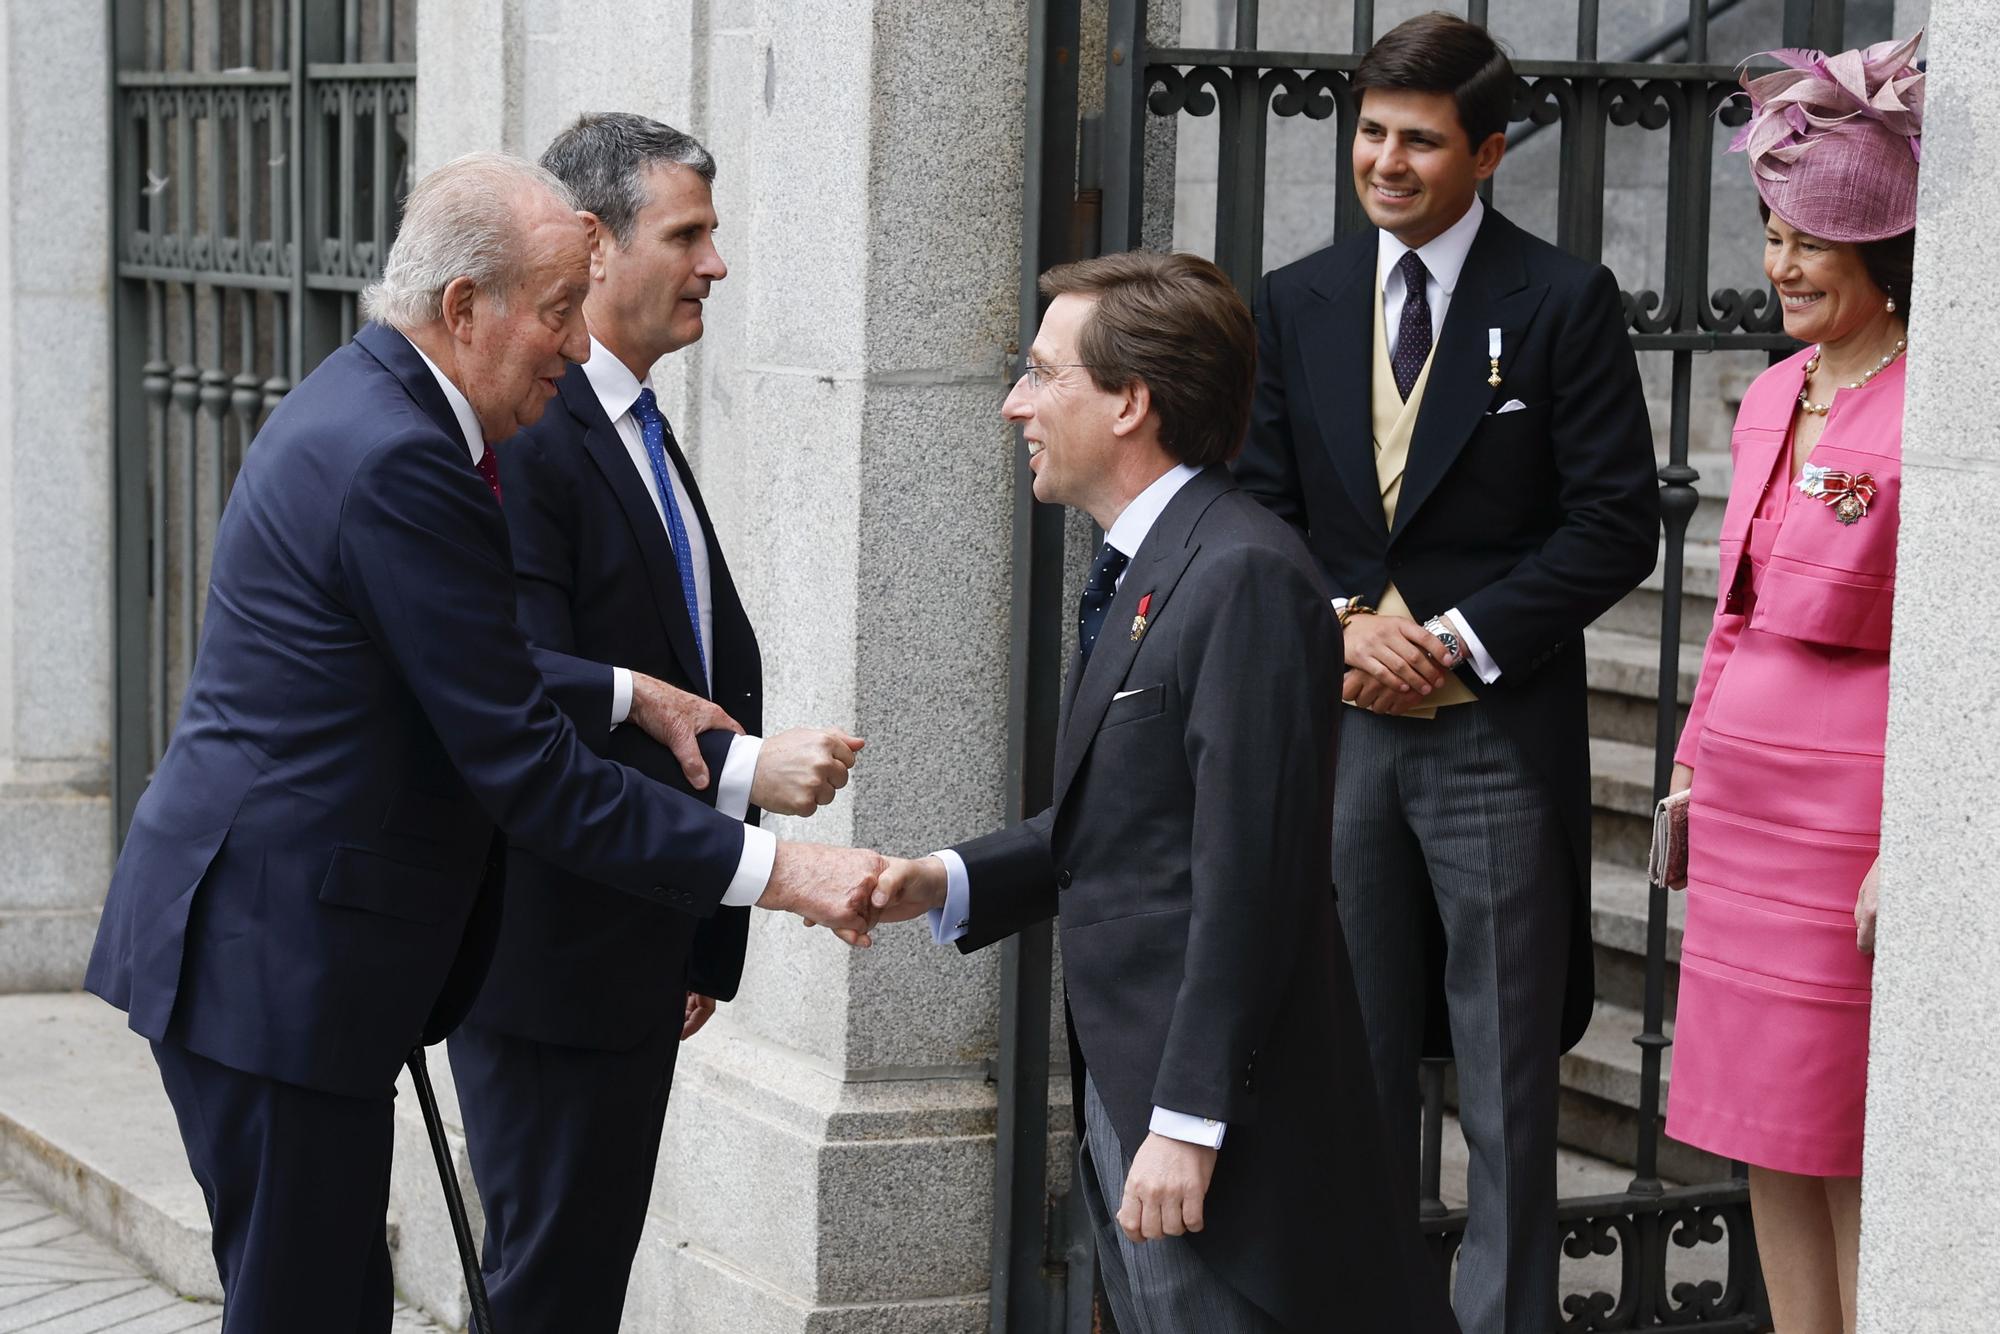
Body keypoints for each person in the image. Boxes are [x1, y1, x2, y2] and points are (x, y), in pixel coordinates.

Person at [83, 152, 883, 1333]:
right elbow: (523, 768)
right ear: (466, 307)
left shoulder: (373, 403)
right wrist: (785, 872)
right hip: (274, 960)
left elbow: (424, 651)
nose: (572, 342)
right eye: (558, 308)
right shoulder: (404, 454)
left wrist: (623, 691)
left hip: (277, 952)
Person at [868, 251, 1457, 1334]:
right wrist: (941, 880)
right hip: (1135, 1078)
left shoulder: (1238, 572)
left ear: (1129, 401)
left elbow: (1254, 869)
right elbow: (1127, 823)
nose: (1015, 403)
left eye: (1042, 374)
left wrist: (1186, 1118)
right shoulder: (1158, 561)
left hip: (1211, 1114)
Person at [1232, 14, 1660, 1333]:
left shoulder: (1563, 301)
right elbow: (1258, 509)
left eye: (1419, 140)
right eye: (1371, 132)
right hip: (1347, 726)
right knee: (1346, 1057)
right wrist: (1350, 624)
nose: (1386, 161)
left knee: (1507, 1071)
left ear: (1488, 150)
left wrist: (1459, 639)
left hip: (1495, 737)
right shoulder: (1293, 299)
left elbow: (1612, 523)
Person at [446, 114, 865, 1332]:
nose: (715, 266)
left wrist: (694, 941)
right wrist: (740, 772)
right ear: (593, 242)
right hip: (548, 959)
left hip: (630, 947)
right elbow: (531, 690)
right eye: (688, 234)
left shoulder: (633, 424)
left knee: (569, 1284)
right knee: (544, 1290)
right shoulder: (535, 434)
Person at [1665, 33, 1922, 1334]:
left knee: (1855, 1127)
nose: (1781, 267)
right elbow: (1732, 608)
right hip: (1752, 805)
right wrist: (1694, 760)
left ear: (1879, 251)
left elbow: (1953, 650)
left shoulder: (1935, 405)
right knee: (1764, 1127)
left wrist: (1915, 839)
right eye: (1772, 237)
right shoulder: (1769, 393)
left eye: (1809, 242)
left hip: (1856, 810)